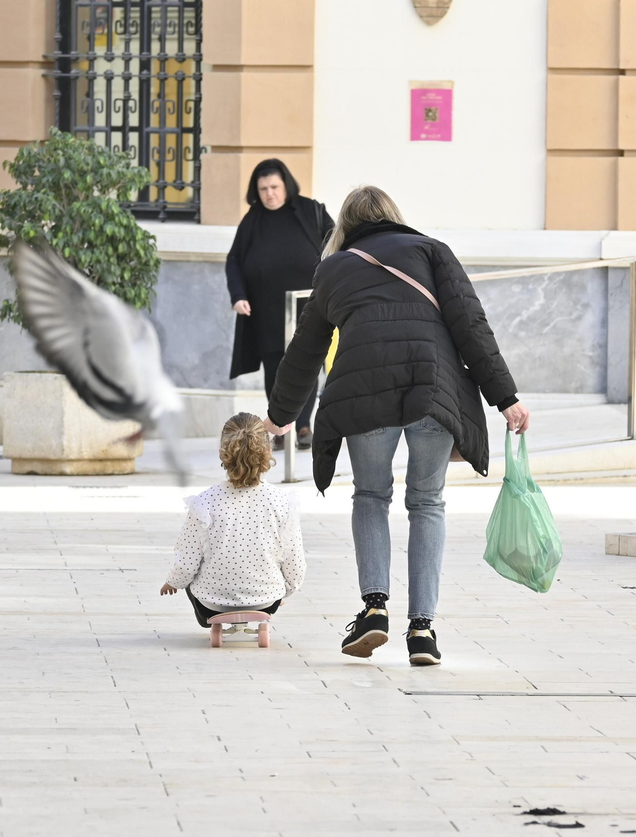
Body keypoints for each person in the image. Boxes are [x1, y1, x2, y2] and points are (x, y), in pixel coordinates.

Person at [263, 186, 529, 667]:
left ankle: (374, 609)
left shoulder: (334, 268)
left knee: (371, 496)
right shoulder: (431, 250)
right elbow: (471, 326)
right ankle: (423, 630)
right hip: (433, 386)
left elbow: (304, 349)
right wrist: (505, 398)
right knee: (427, 502)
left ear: (345, 225)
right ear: (393, 216)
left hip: (365, 392)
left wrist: (281, 415)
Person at [225, 159, 334, 452]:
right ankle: (280, 428)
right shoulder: (253, 219)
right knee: (275, 371)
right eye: (263, 188)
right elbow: (234, 259)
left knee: (308, 366)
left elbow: (337, 244)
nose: (269, 193)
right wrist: (238, 295)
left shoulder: (311, 211)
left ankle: (304, 426)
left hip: (309, 307)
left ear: (285, 185)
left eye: (274, 187)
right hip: (267, 311)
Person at [161, 412, 306, 628]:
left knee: (193, 576)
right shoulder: (282, 503)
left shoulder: (204, 502)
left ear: (223, 453)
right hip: (266, 601)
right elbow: (295, 564)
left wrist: (173, 582)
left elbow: (187, 561)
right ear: (268, 451)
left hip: (211, 603)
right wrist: (284, 591)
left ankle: (208, 619)